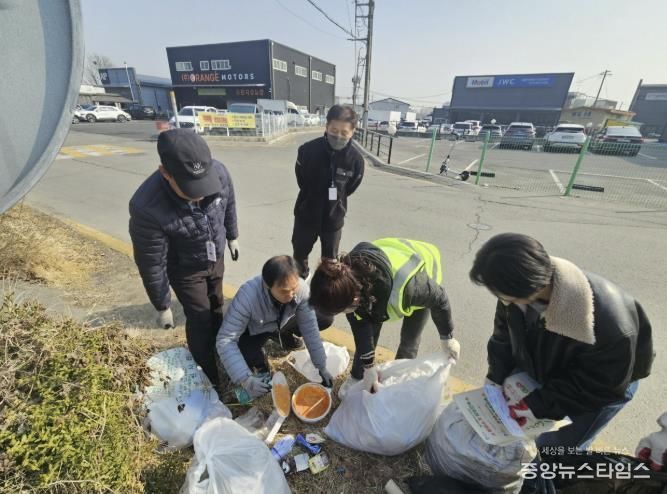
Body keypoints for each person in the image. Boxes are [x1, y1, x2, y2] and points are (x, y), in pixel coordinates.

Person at [469, 233, 655, 450]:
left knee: (556, 448)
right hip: (548, 367)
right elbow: (503, 336)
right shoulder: (514, 294)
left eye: (505, 296)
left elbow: (599, 385)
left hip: (599, 389)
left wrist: (536, 405)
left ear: (529, 289)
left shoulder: (610, 324)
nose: (502, 300)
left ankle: (556, 468)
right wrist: (495, 377)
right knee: (518, 437)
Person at [129, 129, 239, 386]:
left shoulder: (219, 172)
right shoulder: (147, 206)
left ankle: (220, 348)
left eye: (203, 185)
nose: (200, 195)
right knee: (200, 318)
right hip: (185, 268)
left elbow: (229, 204)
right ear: (166, 173)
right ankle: (208, 376)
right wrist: (162, 304)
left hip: (215, 256)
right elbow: (151, 262)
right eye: (190, 189)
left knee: (217, 306)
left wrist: (232, 235)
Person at [309, 238, 461, 398]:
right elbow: (362, 330)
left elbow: (440, 299)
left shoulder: (411, 288)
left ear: (354, 299)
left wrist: (447, 337)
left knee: (410, 339)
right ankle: (357, 377)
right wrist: (368, 368)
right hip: (386, 265)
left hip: (420, 272)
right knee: (369, 331)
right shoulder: (346, 283)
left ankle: (398, 383)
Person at [216, 256, 334, 399]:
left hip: (282, 321)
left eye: (294, 289)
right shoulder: (247, 297)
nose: (291, 295)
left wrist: (322, 366)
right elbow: (225, 339)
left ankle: (283, 334)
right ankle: (261, 352)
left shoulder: (300, 289)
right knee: (246, 357)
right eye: (284, 291)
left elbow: (309, 327)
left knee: (324, 317)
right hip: (256, 329)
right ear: (267, 285)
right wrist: (245, 378)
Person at [292, 105, 365, 279]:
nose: (338, 136)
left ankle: (323, 288)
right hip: (306, 215)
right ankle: (302, 280)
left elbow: (350, 187)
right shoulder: (307, 150)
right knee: (299, 254)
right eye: (334, 130)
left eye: (344, 132)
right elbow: (301, 179)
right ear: (326, 127)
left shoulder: (356, 160)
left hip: (333, 219)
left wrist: (336, 200)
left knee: (330, 262)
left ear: (352, 131)